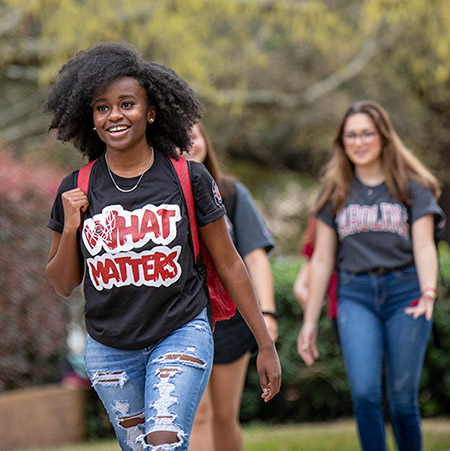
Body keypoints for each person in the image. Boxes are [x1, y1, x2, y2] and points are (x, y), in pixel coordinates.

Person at [44, 41, 281, 451]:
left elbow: (229, 263)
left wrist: (265, 343)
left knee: (165, 441)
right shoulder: (76, 188)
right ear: (92, 119)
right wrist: (70, 229)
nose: (115, 115)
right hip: (109, 349)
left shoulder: (188, 178)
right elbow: (63, 283)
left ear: (150, 112)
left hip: (180, 331)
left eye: (127, 104)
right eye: (102, 107)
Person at [297, 100, 444, 451]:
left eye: (366, 133)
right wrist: (310, 321)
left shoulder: (413, 188)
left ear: (383, 137)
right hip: (355, 294)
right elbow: (322, 260)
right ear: (341, 141)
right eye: (351, 135)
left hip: (405, 291)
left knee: (403, 399)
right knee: (364, 394)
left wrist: (428, 291)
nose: (359, 142)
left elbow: (425, 247)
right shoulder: (335, 191)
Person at [184, 123, 278, 451]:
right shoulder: (161, 198)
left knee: (224, 415)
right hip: (181, 320)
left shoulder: (232, 194)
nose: (189, 142)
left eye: (194, 135)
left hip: (230, 323)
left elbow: (254, 257)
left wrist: (267, 314)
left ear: (206, 141)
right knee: (198, 414)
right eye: (179, 137)